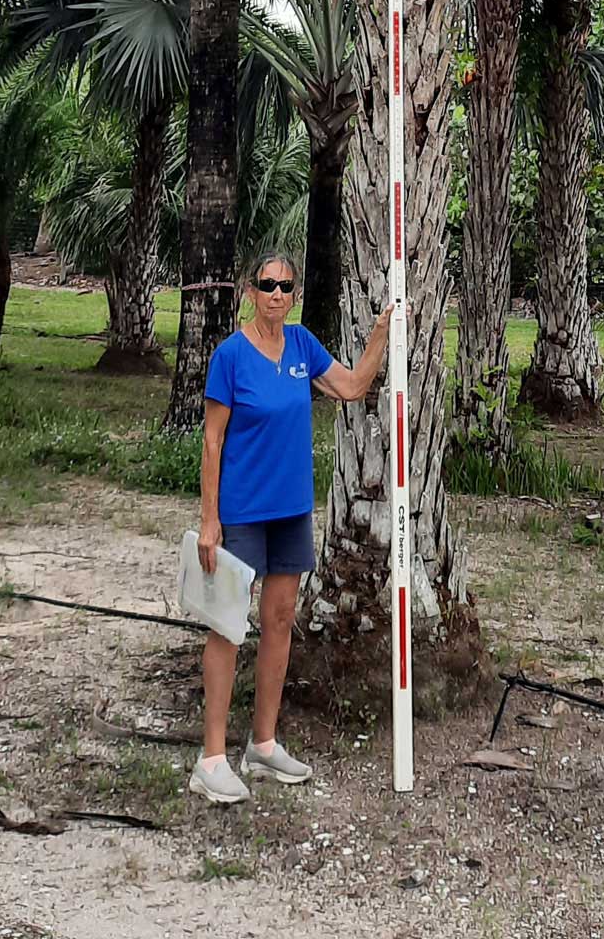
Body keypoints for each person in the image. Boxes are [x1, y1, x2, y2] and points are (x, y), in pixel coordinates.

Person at [189, 249, 392, 804]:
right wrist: (210, 521)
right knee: (229, 625)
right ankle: (211, 757)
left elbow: (351, 388)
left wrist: (380, 335)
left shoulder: (302, 345)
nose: (277, 295)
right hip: (242, 514)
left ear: (294, 295)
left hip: (291, 512)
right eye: (267, 285)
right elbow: (212, 442)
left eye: (286, 287)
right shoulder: (230, 356)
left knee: (279, 619)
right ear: (250, 292)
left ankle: (263, 743)